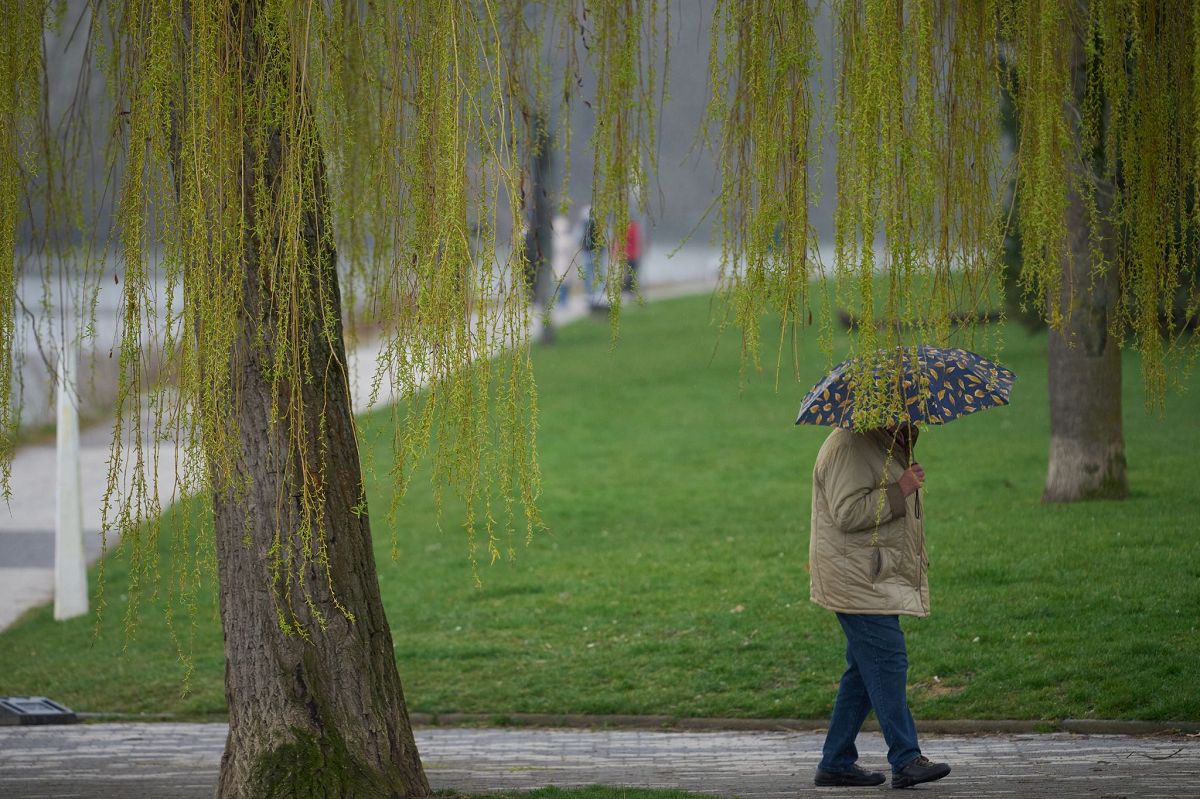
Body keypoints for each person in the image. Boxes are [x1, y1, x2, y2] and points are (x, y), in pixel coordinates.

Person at [808, 422, 951, 789]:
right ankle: (906, 759)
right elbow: (847, 513)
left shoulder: (883, 442)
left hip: (871, 574)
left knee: (862, 670)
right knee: (888, 660)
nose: (911, 411)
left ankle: (835, 761)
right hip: (857, 579)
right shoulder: (850, 446)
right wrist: (900, 489)